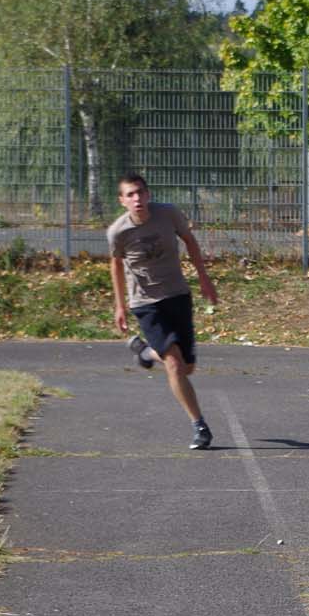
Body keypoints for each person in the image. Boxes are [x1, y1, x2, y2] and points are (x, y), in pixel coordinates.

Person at [107, 172, 219, 450]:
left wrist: (204, 279)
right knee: (174, 363)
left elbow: (189, 241)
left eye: (140, 193)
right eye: (130, 195)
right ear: (122, 200)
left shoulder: (168, 214)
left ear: (149, 194)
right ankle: (199, 426)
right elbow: (116, 265)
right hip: (145, 302)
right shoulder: (118, 232)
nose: (137, 199)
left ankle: (146, 352)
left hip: (178, 294)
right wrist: (120, 305)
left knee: (188, 367)